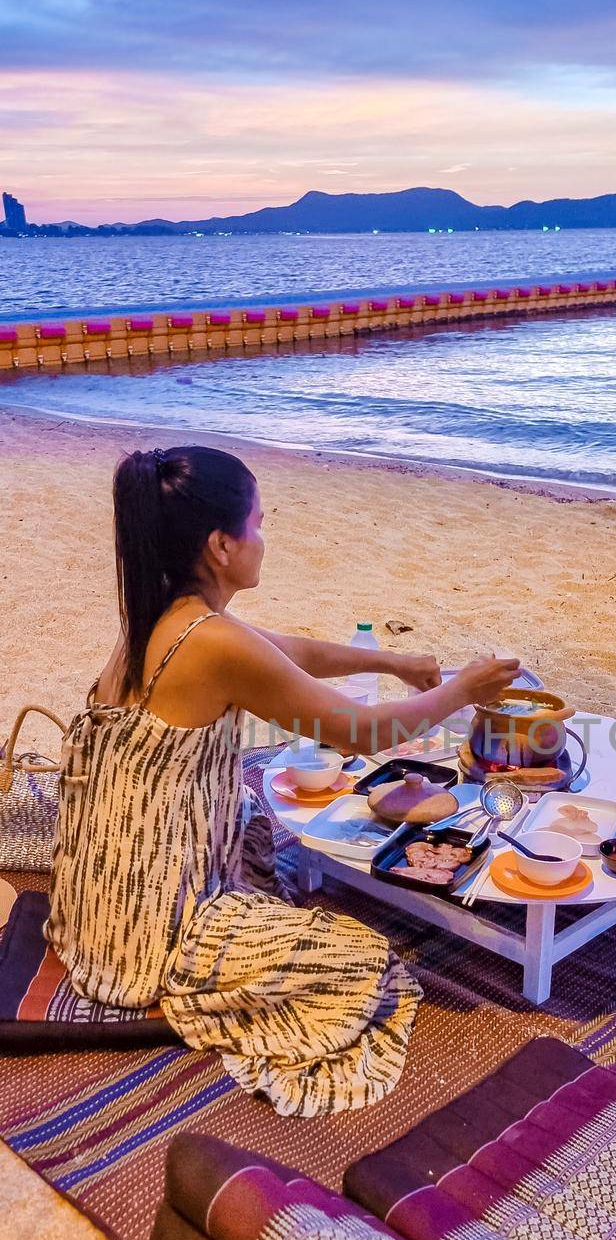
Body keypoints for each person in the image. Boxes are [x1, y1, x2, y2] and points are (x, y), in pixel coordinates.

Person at [46, 445, 519, 1116]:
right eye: (258, 523)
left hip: (99, 901)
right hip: (150, 930)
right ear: (220, 545)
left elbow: (288, 653)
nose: (263, 538)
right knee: (364, 963)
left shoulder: (165, 617)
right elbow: (358, 733)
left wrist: (394, 660)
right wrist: (462, 689)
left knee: (256, 817)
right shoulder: (210, 642)